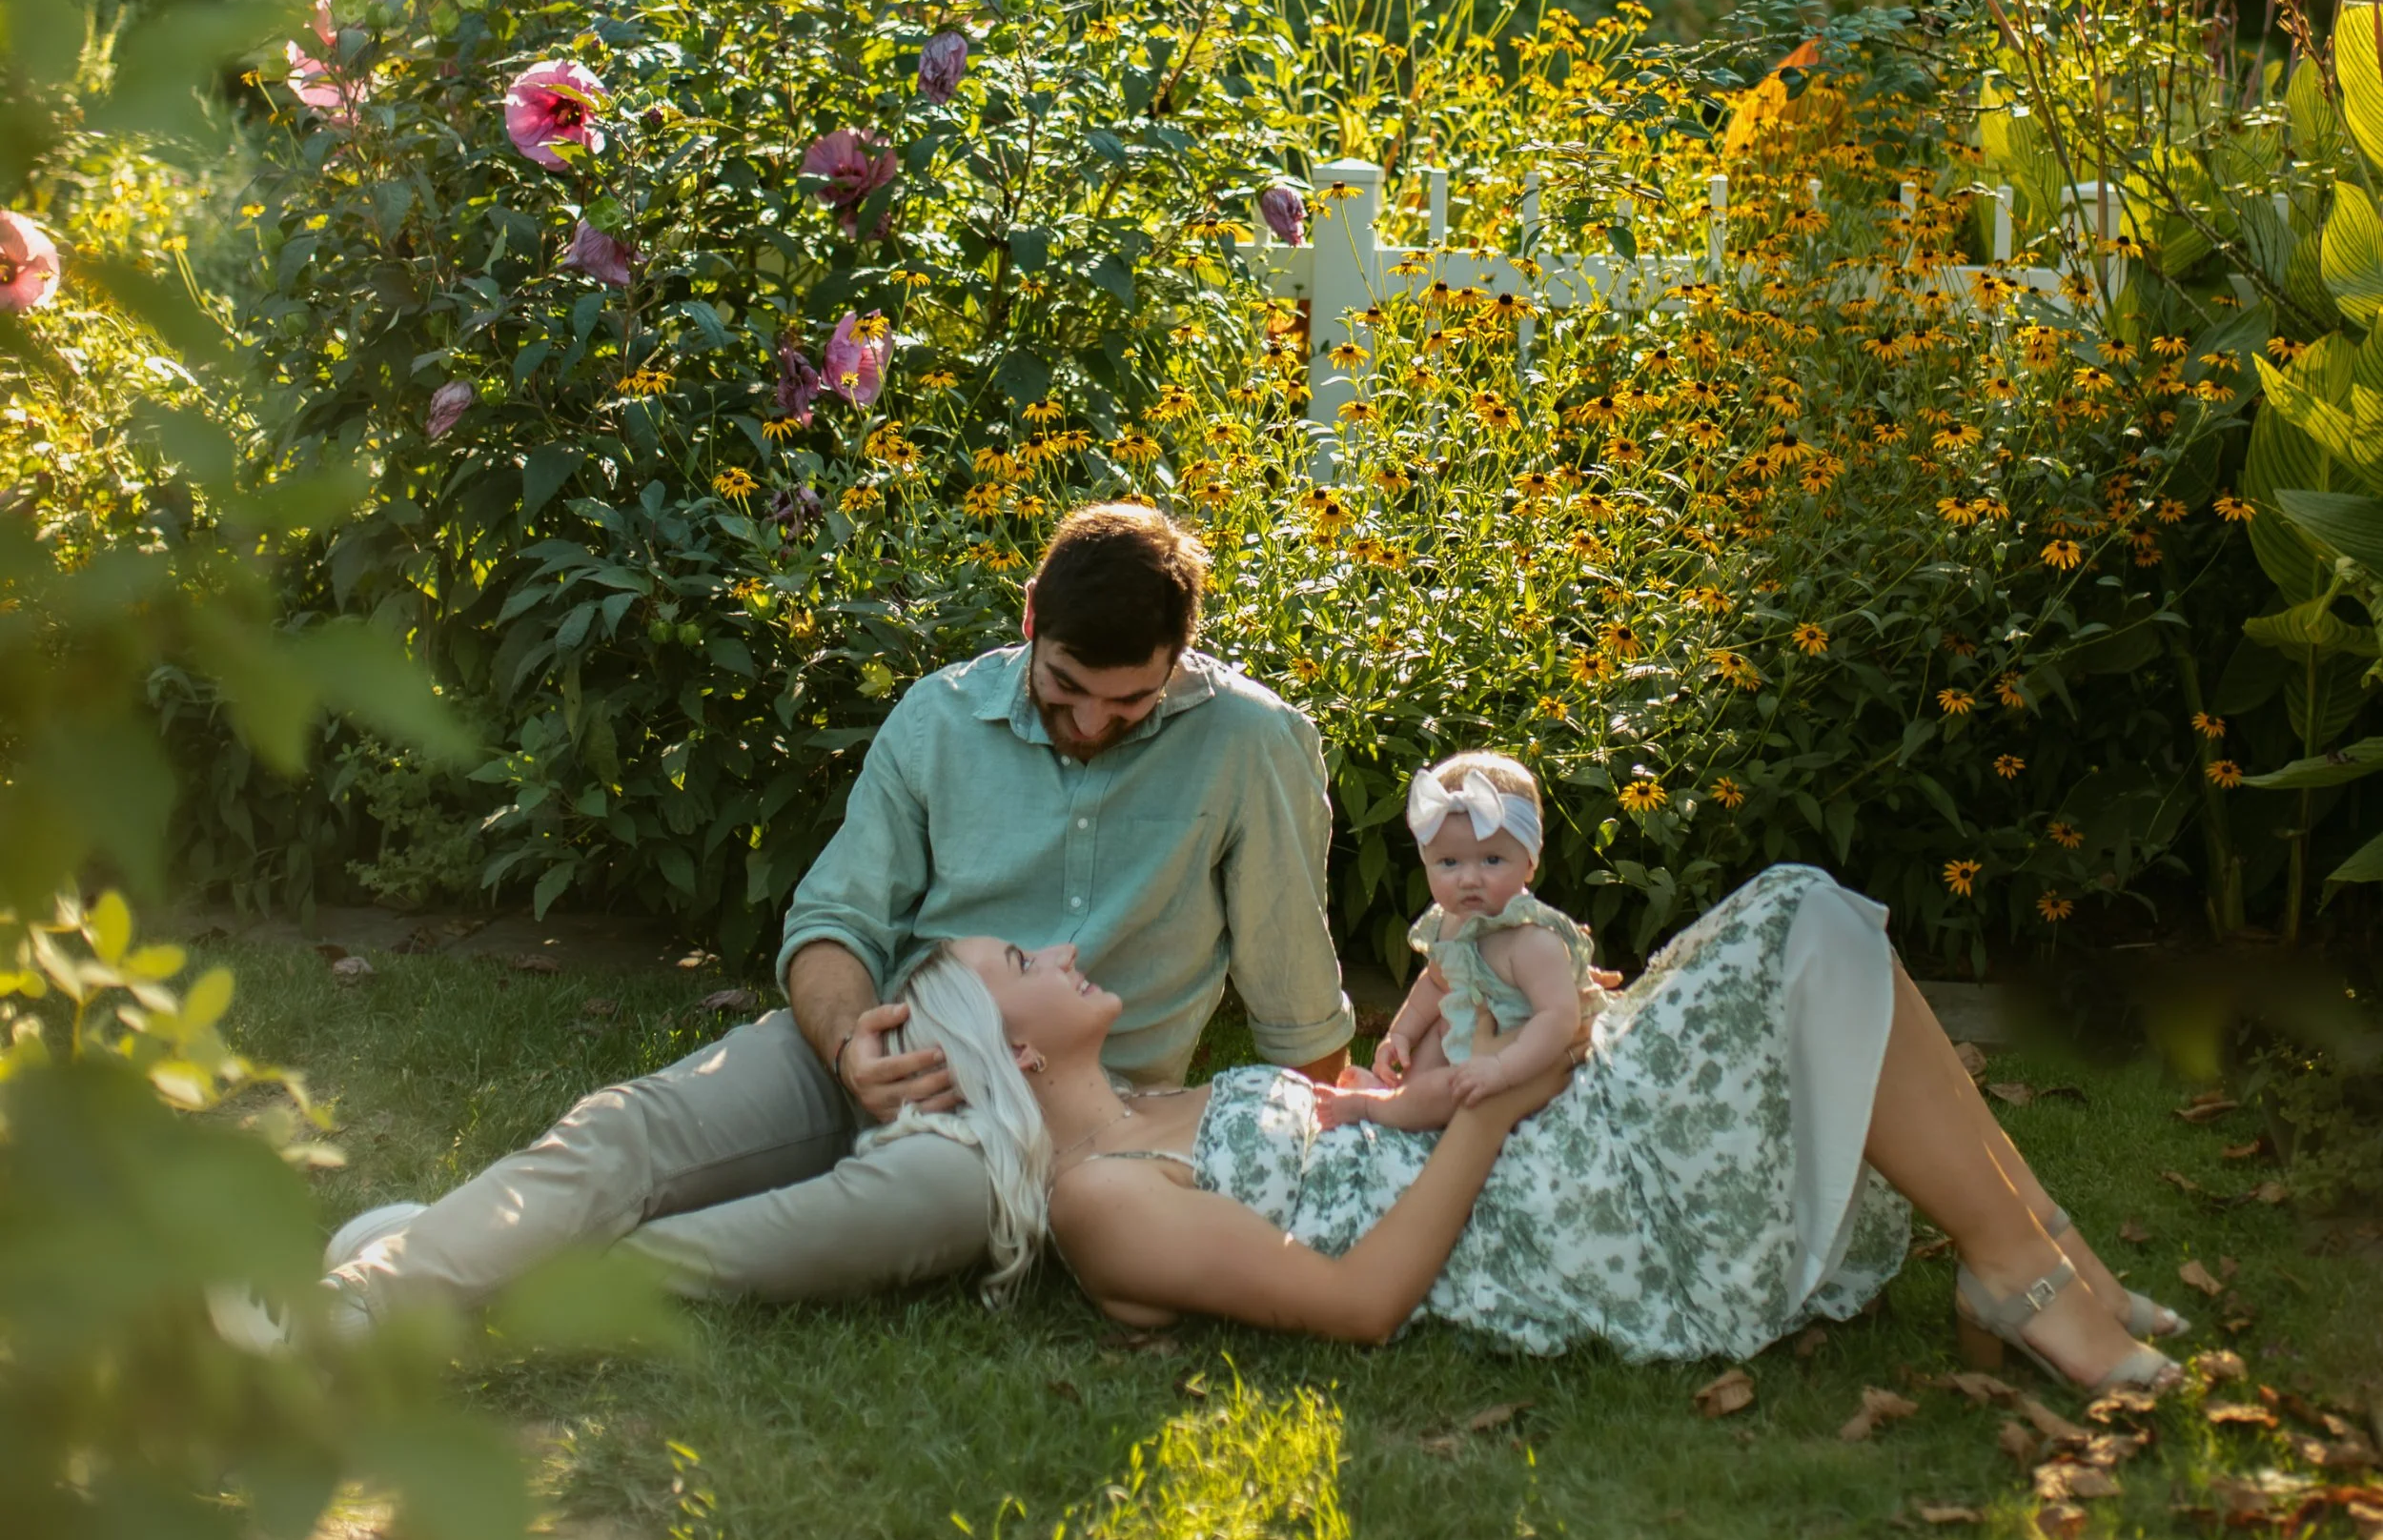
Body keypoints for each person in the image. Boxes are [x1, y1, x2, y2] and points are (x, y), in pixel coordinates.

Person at [312, 500, 1354, 1322]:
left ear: (1180, 657)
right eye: (1066, 688)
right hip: (880, 1039)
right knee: (627, 1130)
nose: (1088, 724)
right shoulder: (939, 719)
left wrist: (1334, 1157)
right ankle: (359, 1306)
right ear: (1032, 618)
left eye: (1126, 708)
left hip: (1046, 1120)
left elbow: (1291, 988)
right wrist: (851, 1039)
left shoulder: (1250, 743)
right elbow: (834, 921)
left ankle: (477, 1268)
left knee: (867, 1216)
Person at [900, 863, 2188, 1393]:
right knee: (1803, 924)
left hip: (1518, 1135)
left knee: (1807, 921)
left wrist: (1449, 1049)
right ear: (1011, 1048)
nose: (1063, 946)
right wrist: (1499, 1101)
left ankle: (2031, 1252)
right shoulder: (1101, 1198)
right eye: (1024, 955)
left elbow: (1353, 1137)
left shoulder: (1149, 1097)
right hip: (1559, 1217)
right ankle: (2023, 1270)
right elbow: (1358, 1298)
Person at [1315, 751, 1607, 1129]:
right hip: (1474, 1052)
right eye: (1449, 863)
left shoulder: (1532, 939)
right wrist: (1399, 1034)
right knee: (1441, 1025)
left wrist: (1500, 1069)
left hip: (1527, 1068)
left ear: (1530, 862)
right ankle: (1405, 1093)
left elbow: (1559, 1019)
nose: (1469, 879)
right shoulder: (1452, 924)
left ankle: (1375, 1110)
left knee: (1445, 1086)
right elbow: (1436, 982)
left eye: (1491, 860)